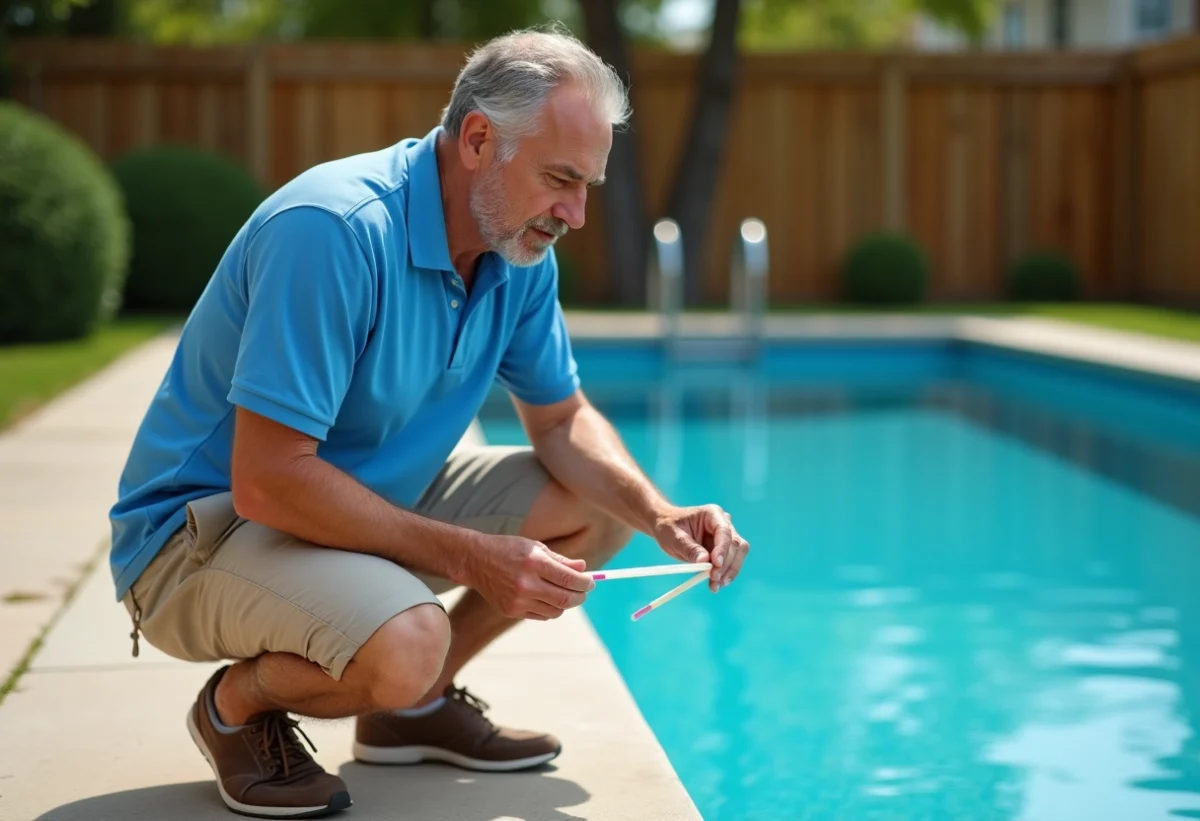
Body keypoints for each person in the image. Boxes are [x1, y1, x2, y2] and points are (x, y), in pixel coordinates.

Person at [107, 25, 750, 820]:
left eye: (588, 185)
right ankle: (235, 707)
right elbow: (268, 480)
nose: (576, 214)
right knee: (411, 640)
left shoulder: (518, 255)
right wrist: (472, 555)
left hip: (344, 504)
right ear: (479, 138)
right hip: (198, 537)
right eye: (560, 178)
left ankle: (406, 710)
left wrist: (660, 515)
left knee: (596, 508)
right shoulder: (334, 231)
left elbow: (560, 421)